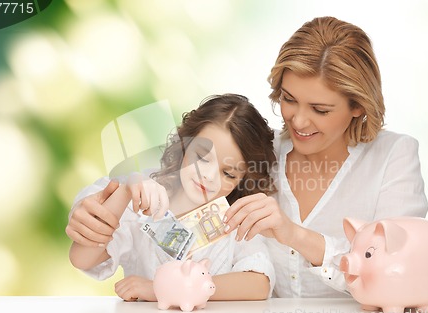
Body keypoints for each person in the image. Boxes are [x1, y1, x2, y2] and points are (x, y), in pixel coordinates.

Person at [223, 16, 428, 298]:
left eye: (320, 110)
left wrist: (295, 235)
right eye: (289, 99)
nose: (299, 121)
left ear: (357, 105)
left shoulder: (393, 157)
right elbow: (178, 195)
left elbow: (399, 274)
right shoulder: (258, 150)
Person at [66, 94, 277, 301]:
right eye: (202, 157)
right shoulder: (142, 203)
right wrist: (126, 191)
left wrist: (165, 289)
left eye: (228, 173)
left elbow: (259, 284)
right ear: (185, 144)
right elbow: (82, 258)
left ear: (242, 179)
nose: (209, 176)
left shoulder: (236, 220)